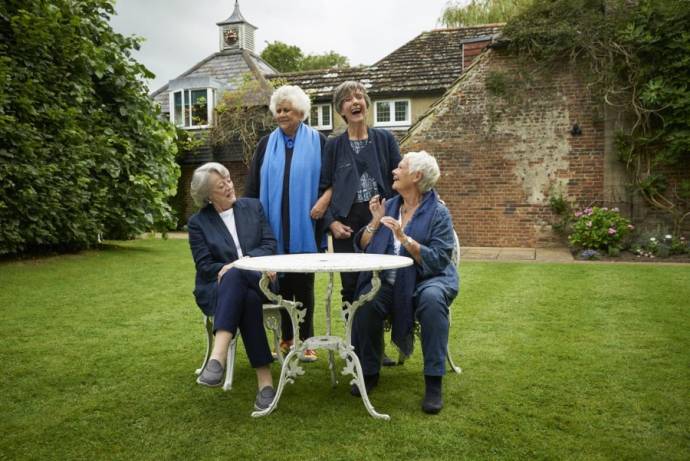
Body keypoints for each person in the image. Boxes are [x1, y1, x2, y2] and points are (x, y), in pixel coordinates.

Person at [350, 151, 459, 414]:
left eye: (400, 167)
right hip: (389, 281)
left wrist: (404, 238)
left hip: (428, 279)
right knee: (366, 301)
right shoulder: (389, 206)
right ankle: (369, 370)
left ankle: (433, 382)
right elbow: (363, 245)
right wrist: (375, 221)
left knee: (433, 301)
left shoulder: (438, 213)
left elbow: (438, 260)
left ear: (417, 176)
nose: (394, 172)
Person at [245, 85, 328, 362]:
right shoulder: (266, 144)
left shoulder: (319, 142)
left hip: (307, 227)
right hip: (272, 228)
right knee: (277, 284)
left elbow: (331, 183)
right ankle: (284, 339)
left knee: (303, 283)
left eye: (287, 110)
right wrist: (252, 223)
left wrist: (324, 203)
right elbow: (253, 187)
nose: (281, 115)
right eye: (278, 110)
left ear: (301, 113)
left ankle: (305, 341)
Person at [188, 162, 277, 411]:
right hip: (219, 288)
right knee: (245, 297)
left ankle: (217, 358)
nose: (229, 185)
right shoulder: (198, 223)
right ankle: (265, 382)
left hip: (260, 280)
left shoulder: (253, 206)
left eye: (228, 179)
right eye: (221, 185)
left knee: (237, 273)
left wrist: (239, 264)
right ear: (207, 196)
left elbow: (269, 245)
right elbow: (205, 266)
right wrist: (233, 269)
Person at [320, 80, 401, 306]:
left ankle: (374, 335)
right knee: (350, 285)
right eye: (347, 100)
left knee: (381, 281)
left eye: (358, 97)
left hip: (381, 218)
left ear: (366, 103)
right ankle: (351, 338)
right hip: (346, 223)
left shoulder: (385, 139)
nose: (354, 102)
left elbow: (400, 176)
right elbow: (323, 187)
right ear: (340, 111)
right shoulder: (334, 145)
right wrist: (331, 223)